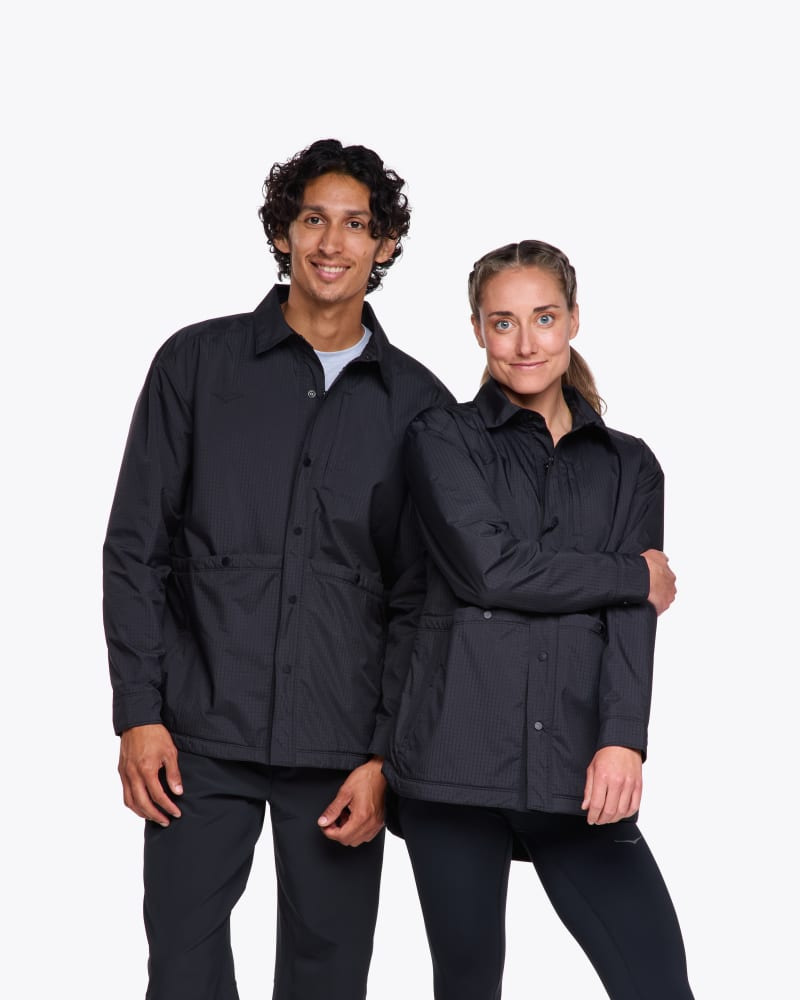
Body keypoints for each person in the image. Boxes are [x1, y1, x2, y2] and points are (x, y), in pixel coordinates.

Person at [102, 138, 455, 1000]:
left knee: (328, 978)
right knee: (181, 971)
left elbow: (422, 600)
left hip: (341, 747)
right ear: (282, 233)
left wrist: (385, 758)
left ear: (385, 244)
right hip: (197, 733)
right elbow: (136, 549)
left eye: (356, 224)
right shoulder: (195, 364)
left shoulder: (420, 406)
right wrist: (139, 714)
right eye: (313, 220)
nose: (332, 243)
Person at [384, 240, 694, 999]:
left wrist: (622, 739)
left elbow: (632, 624)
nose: (525, 343)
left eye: (544, 318)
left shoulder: (630, 466)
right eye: (503, 322)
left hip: (577, 762)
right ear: (477, 330)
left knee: (656, 979)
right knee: (467, 984)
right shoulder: (442, 438)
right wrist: (631, 574)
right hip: (454, 761)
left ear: (574, 320)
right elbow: (487, 570)